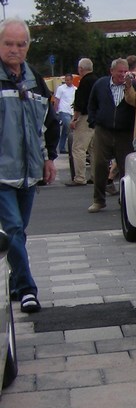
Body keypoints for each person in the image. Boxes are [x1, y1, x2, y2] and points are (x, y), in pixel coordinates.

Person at [0, 17, 59, 314]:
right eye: (9, 44)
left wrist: (49, 158)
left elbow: (50, 124)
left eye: (20, 44)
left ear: (28, 46)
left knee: (19, 231)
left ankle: (13, 283)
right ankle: (27, 289)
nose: (14, 50)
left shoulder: (35, 79)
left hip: (29, 173)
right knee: (11, 229)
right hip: (1, 174)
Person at [86, 58, 135, 213]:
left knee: (124, 167)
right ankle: (98, 200)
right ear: (112, 71)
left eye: (125, 71)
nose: (122, 75)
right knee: (99, 164)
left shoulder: (133, 86)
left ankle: (125, 200)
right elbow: (92, 103)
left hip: (125, 132)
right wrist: (93, 121)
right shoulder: (101, 84)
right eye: (119, 71)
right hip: (103, 130)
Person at [66, 57, 97, 186]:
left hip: (85, 117)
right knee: (94, 149)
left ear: (81, 69)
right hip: (96, 118)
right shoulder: (97, 80)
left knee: (78, 148)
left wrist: (74, 119)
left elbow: (79, 103)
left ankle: (79, 177)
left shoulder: (84, 82)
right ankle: (95, 176)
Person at [53, 73, 77, 154]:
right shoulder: (61, 88)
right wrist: (55, 111)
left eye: (69, 80)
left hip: (72, 111)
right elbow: (57, 100)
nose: (67, 81)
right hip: (63, 110)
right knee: (68, 126)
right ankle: (71, 146)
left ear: (72, 80)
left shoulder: (75, 89)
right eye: (66, 80)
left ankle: (62, 147)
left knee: (65, 130)